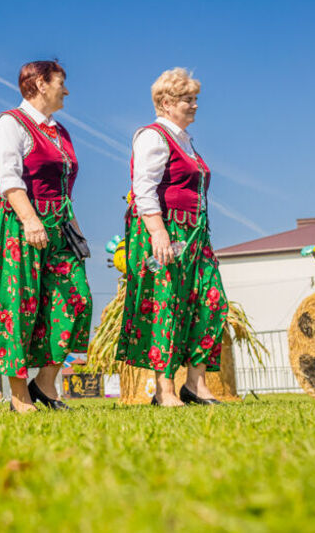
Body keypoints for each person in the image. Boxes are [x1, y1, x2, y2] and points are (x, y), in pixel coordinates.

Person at [0, 60, 94, 413]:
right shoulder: (11, 123)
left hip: (59, 223)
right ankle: (19, 397)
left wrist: (77, 234)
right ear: (39, 83)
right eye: (61, 83)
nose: (66, 90)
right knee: (16, 305)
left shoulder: (60, 131)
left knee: (78, 299)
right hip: (17, 222)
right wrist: (30, 219)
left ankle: (44, 384)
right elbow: (9, 179)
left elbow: (65, 188)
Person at [116, 68, 228, 406]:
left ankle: (195, 384)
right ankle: (164, 389)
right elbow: (143, 188)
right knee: (165, 304)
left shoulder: (185, 140)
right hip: (167, 229)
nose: (194, 105)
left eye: (195, 99)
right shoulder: (153, 136)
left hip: (194, 233)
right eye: (187, 100)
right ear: (166, 103)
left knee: (211, 301)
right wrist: (157, 232)